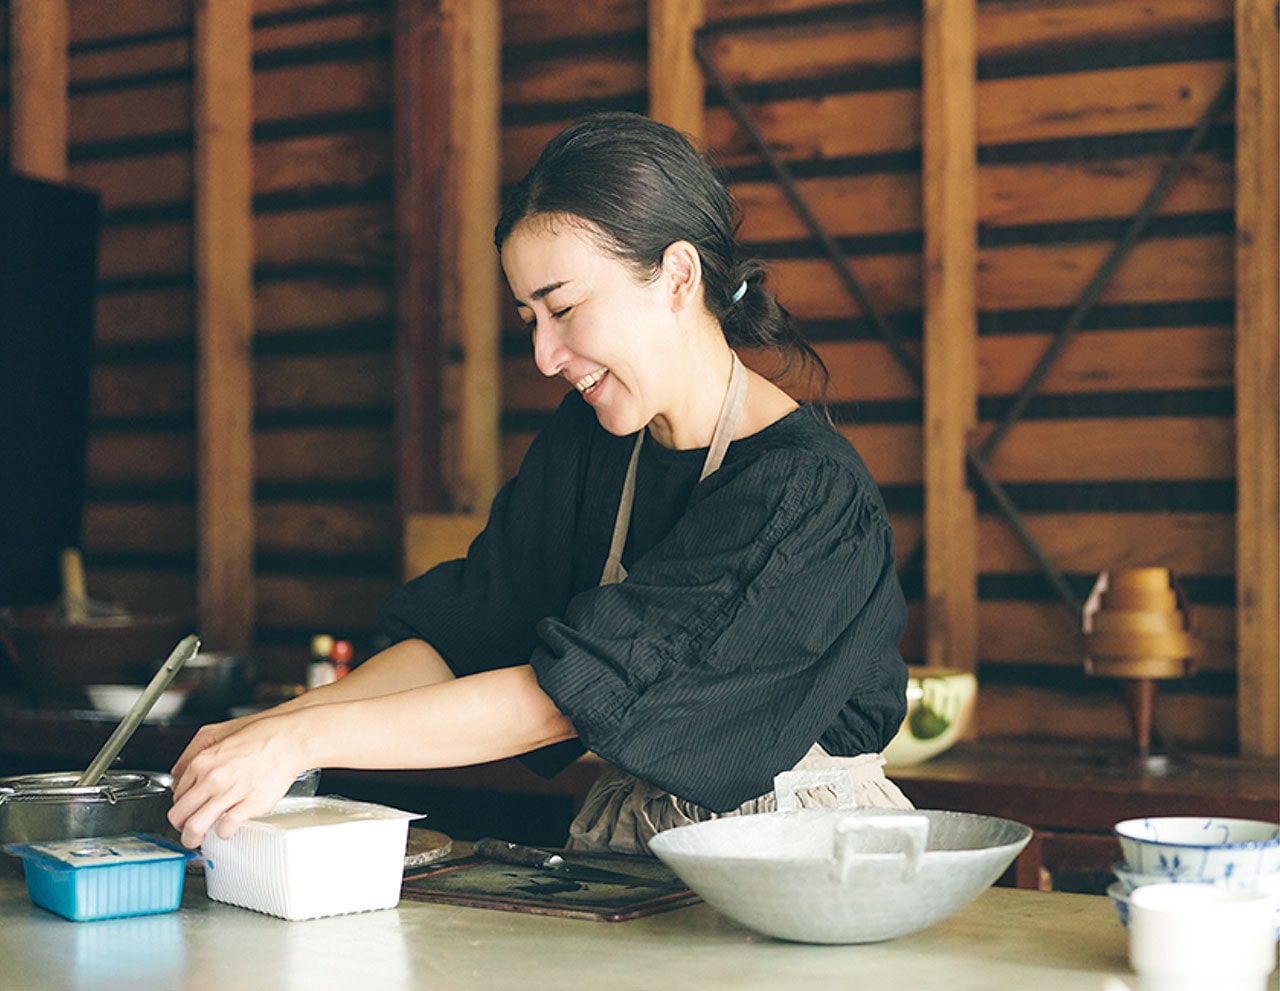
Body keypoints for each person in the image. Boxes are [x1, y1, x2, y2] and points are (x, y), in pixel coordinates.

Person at [167, 111, 911, 854]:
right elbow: (467, 635)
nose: (546, 355)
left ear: (678, 277)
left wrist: (299, 740)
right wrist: (269, 729)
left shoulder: (808, 495)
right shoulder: (590, 443)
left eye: (563, 308)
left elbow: (577, 696)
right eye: (529, 319)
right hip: (644, 863)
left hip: (804, 877)